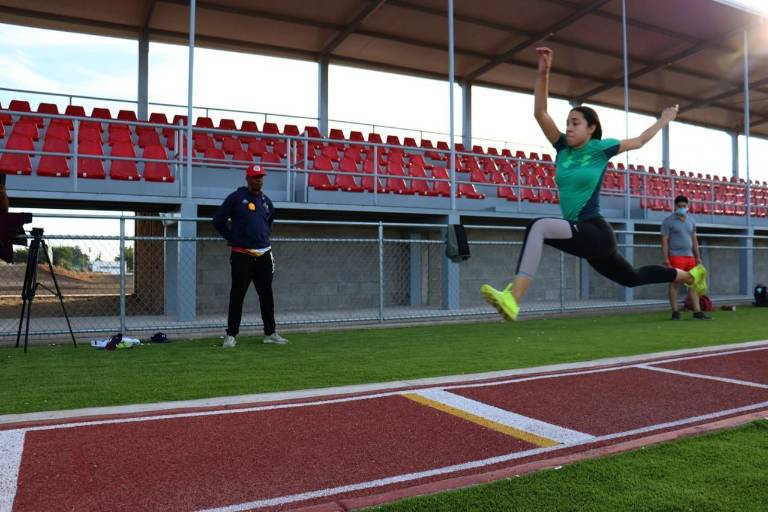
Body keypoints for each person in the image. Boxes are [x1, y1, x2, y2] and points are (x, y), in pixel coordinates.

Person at [480, 47, 708, 321]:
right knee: (632, 278)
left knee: (537, 227)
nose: (569, 128)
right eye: (567, 123)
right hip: (585, 236)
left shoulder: (601, 149)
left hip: (595, 231)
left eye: (575, 123)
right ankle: (691, 276)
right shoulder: (562, 148)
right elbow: (540, 112)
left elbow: (638, 141)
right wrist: (544, 73)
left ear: (591, 128)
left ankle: (513, 298)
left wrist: (663, 120)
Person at [213, 163, 288, 347]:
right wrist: (233, 237)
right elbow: (218, 221)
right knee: (237, 295)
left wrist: (262, 238)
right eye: (255, 177)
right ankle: (231, 335)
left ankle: (270, 333)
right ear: (247, 178)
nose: (259, 180)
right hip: (242, 255)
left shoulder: (266, 201)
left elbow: (269, 222)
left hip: (264, 255)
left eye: (261, 177)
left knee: (267, 296)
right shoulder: (236, 198)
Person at [662, 195, 710, 320]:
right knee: (675, 284)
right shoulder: (668, 221)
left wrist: (697, 257)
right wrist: (666, 258)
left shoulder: (691, 221)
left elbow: (694, 239)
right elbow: (665, 240)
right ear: (675, 206)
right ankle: (675, 312)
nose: (682, 208)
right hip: (676, 257)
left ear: (687, 206)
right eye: (679, 206)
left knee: (694, 284)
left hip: (690, 257)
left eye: (684, 206)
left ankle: (697, 312)